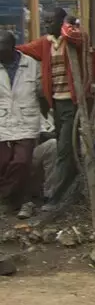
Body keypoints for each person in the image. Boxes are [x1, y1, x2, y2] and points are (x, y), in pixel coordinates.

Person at [19, 8, 87, 216]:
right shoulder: (46, 43)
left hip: (72, 103)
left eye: (50, 21)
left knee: (64, 149)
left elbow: (76, 36)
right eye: (45, 21)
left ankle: (55, 197)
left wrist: (68, 23)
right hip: (56, 104)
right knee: (66, 148)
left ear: (61, 21)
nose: (46, 24)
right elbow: (22, 49)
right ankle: (73, 191)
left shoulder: (73, 37)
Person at [0, 31, 45, 217]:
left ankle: (5, 199)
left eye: (2, 48)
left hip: (26, 121)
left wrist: (47, 123)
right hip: (3, 121)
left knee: (21, 161)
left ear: (12, 47)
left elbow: (42, 94)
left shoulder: (31, 65)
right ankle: (18, 201)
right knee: (3, 163)